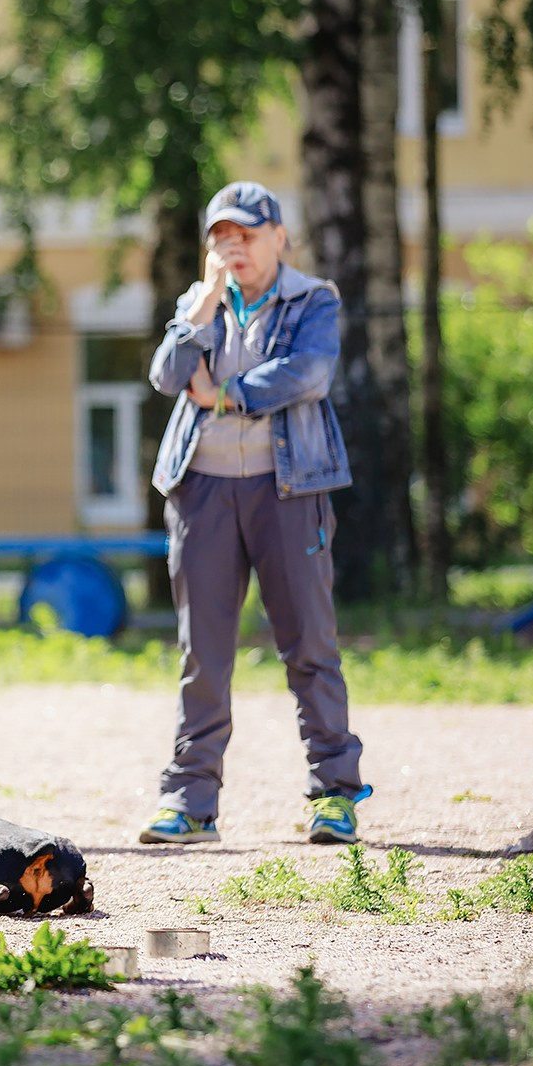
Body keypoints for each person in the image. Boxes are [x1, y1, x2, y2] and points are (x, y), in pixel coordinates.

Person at [142, 181, 368, 847]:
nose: (231, 245)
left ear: (279, 237)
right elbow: (165, 374)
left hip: (288, 488)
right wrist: (207, 301)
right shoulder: (199, 303)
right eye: (220, 235)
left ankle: (335, 793)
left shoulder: (313, 299)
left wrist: (225, 394)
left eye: (245, 232)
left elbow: (310, 373)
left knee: (309, 646)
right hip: (202, 491)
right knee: (202, 654)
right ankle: (190, 802)